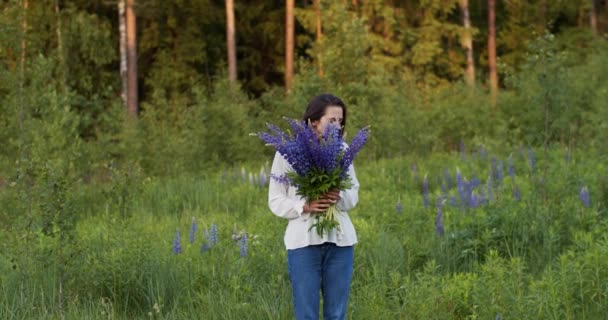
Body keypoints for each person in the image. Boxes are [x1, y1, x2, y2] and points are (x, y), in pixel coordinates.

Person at [268, 93, 359, 320]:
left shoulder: (343, 151)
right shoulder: (287, 153)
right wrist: (304, 205)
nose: (337, 126)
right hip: (303, 243)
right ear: (314, 121)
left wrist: (338, 195)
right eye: (332, 120)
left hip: (340, 241)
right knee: (306, 315)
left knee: (336, 314)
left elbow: (353, 195)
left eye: (341, 121)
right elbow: (275, 201)